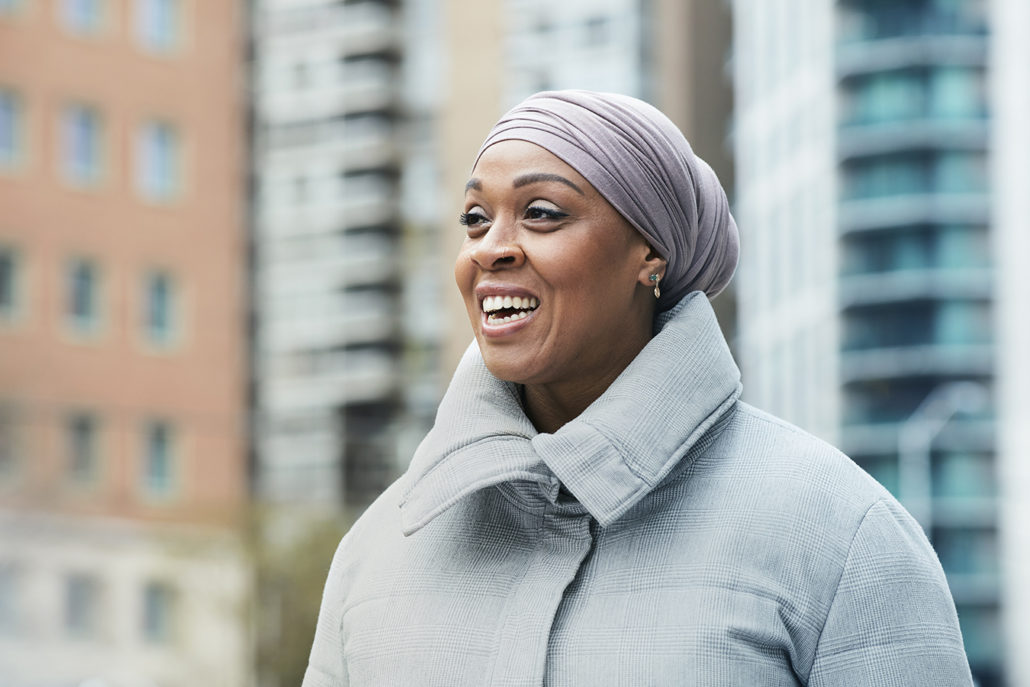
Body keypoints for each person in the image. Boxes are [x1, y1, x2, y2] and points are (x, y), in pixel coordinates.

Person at [302, 90, 972, 686]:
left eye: (540, 213)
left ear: (650, 252)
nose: (490, 248)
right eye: (476, 219)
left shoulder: (839, 532)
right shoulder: (380, 549)